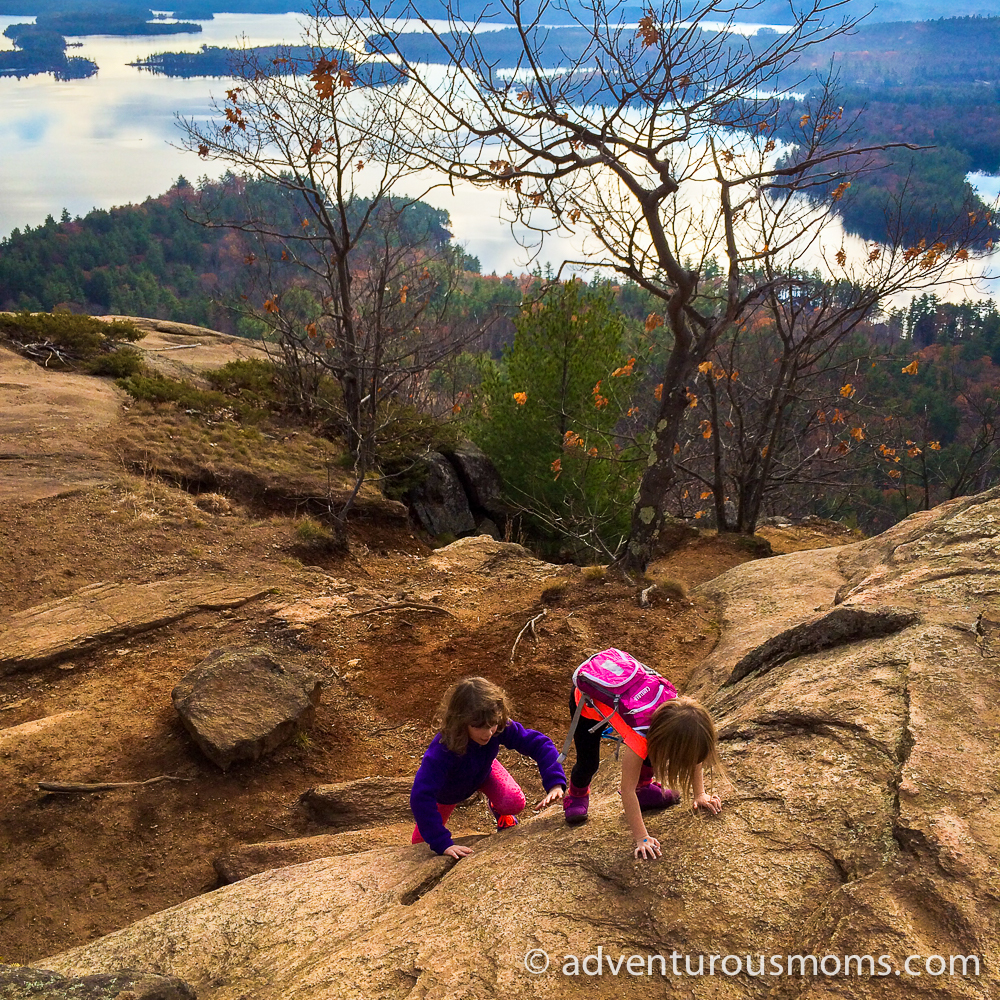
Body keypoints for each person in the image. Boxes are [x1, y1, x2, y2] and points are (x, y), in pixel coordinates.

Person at [563, 657, 724, 860]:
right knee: (589, 762)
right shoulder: (641, 738)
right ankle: (576, 794)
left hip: (622, 704)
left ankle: (645, 788)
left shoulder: (681, 718)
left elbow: (694, 752)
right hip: (587, 705)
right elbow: (627, 790)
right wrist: (642, 837)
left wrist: (700, 794)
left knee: (652, 755)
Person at [410, 676, 566, 859]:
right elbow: (421, 796)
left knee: (514, 802)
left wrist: (555, 782)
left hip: (484, 772)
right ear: (461, 721)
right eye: (478, 727)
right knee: (420, 847)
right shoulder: (443, 749)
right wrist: (442, 843)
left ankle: (499, 810)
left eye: (492, 725)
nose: (488, 733)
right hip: (447, 794)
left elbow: (539, 743)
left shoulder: (497, 726)